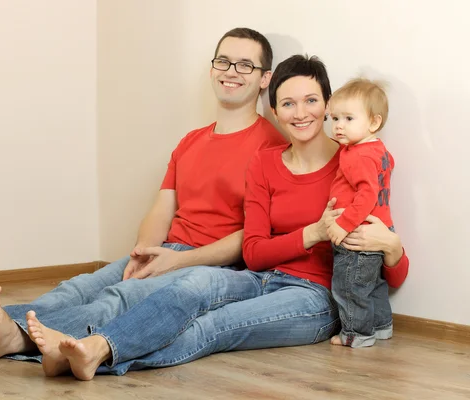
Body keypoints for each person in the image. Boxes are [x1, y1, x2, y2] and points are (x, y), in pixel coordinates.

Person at [23, 55, 410, 380]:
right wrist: (311, 233)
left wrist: (393, 248)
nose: (301, 113)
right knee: (190, 288)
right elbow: (255, 253)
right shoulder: (264, 163)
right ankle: (69, 347)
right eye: (288, 104)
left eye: (311, 101)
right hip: (258, 276)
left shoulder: (354, 165)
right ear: (273, 110)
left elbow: (377, 268)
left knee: (212, 327)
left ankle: (98, 352)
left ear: (327, 105)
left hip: (312, 296)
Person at [0, 27, 286, 366]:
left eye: (245, 65)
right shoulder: (191, 140)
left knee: (119, 299)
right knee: (79, 287)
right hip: (167, 251)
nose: (231, 71)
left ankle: (2, 335)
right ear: (212, 69)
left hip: (209, 265)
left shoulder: (271, 146)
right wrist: (143, 253)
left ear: (264, 78)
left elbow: (253, 236)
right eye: (223, 61)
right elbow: (163, 209)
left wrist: (173, 264)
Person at [326, 78, 396, 348]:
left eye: (348, 118)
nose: (338, 126)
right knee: (373, 285)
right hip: (379, 229)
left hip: (357, 232)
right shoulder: (378, 151)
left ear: (373, 123)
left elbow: (366, 195)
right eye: (334, 118)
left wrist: (343, 224)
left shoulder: (356, 156)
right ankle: (381, 326)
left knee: (350, 287)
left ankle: (356, 334)